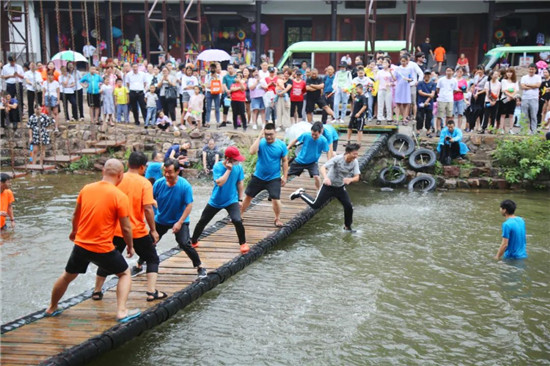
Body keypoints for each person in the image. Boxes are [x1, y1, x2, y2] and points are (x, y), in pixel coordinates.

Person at [45, 159, 140, 322]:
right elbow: (126, 228)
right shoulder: (120, 196)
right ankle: (122, 311)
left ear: (103, 171)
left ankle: (51, 307)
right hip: (102, 247)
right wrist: (130, 246)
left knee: (67, 276)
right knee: (124, 274)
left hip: (81, 245)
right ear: (120, 175)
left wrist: (74, 232)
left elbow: (76, 215)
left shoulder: (86, 189)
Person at [91, 152, 166, 302]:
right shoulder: (144, 183)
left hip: (116, 229)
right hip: (136, 230)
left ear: (128, 164)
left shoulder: (118, 179)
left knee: (108, 259)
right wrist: (153, 230)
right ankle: (151, 292)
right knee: (152, 259)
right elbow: (148, 209)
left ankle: (97, 291)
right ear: (142, 167)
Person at [153, 159, 207, 278]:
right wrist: (154, 212)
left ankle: (199, 266)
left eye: (170, 172)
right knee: (150, 242)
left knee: (184, 243)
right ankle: (139, 264)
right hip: (161, 219)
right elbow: (151, 199)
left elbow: (189, 205)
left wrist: (180, 222)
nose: (167, 175)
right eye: (165, 172)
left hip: (180, 219)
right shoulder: (158, 184)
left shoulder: (184, 186)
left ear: (177, 171)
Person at [289, 143, 361, 232]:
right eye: (354, 154)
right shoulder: (338, 159)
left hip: (340, 187)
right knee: (315, 205)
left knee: (349, 207)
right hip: (328, 186)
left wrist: (350, 180)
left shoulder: (355, 162)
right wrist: (326, 177)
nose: (356, 156)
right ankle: (300, 193)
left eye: (357, 154)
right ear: (348, 153)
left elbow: (357, 177)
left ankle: (347, 227)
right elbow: (323, 167)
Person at [191, 146, 249, 254]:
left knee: (237, 220)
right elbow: (220, 183)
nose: (237, 161)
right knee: (203, 221)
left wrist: (240, 199)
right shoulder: (217, 167)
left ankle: (243, 243)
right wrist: (228, 170)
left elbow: (240, 183)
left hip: (231, 200)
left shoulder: (238, 167)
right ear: (228, 159)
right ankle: (193, 241)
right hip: (216, 200)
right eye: (235, 159)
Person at [240, 124, 289, 228]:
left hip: (274, 177)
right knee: (248, 196)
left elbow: (285, 161)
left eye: (270, 134)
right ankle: (240, 214)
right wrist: (259, 137)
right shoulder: (261, 143)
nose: (268, 137)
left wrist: (285, 176)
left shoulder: (281, 145)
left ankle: (277, 218)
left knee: (276, 198)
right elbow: (252, 152)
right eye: (266, 134)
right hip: (258, 176)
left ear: (275, 133)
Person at [287, 122, 330, 190]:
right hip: (300, 160)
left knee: (317, 177)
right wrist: (287, 148)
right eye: (312, 134)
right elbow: (295, 140)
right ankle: (276, 189)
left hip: (312, 162)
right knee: (287, 175)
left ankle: (319, 192)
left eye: (316, 135)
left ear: (320, 133)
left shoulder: (323, 140)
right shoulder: (306, 135)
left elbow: (327, 151)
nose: (313, 136)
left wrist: (328, 162)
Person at [520, 63, 542, 134]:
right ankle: (523, 131)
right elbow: (523, 87)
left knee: (533, 115)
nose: (531, 70)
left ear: (535, 70)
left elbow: (538, 85)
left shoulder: (538, 77)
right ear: (528, 69)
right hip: (525, 98)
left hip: (534, 98)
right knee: (524, 115)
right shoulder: (524, 77)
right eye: (530, 69)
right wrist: (533, 86)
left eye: (533, 69)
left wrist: (528, 85)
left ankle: (534, 131)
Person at [436, 67, 458, 136]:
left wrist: (449, 94)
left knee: (449, 116)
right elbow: (437, 89)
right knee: (440, 115)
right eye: (447, 71)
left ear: (452, 72)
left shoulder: (454, 80)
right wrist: (442, 95)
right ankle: (438, 130)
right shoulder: (441, 80)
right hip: (442, 99)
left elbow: (455, 90)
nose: (448, 72)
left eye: (450, 71)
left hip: (450, 99)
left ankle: (446, 129)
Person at [498, 68, 519, 134]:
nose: (509, 73)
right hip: (504, 99)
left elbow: (516, 90)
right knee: (503, 114)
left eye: (511, 72)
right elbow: (503, 90)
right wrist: (510, 95)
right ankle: (501, 129)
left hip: (513, 99)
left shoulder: (515, 81)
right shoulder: (504, 81)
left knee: (511, 114)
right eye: (508, 72)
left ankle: (511, 129)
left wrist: (512, 96)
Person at [375, 58, 396, 124]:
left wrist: (390, 83)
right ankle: (379, 118)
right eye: (383, 63)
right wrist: (375, 72)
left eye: (385, 63)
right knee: (380, 104)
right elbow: (375, 79)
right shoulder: (380, 72)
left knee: (388, 104)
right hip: (381, 88)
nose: (384, 64)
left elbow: (394, 80)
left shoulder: (391, 71)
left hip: (388, 89)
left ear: (389, 64)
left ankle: (389, 118)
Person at [416, 70, 436, 137]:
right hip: (421, 102)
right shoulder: (420, 83)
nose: (427, 76)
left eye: (428, 74)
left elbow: (433, 94)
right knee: (419, 117)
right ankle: (418, 131)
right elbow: (420, 92)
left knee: (429, 117)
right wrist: (429, 95)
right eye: (426, 74)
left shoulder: (433, 84)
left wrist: (427, 101)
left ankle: (428, 131)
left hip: (429, 103)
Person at [480, 70, 501, 134]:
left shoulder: (499, 83)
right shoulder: (487, 83)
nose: (496, 76)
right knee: (486, 114)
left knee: (493, 115)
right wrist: (490, 101)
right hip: (488, 101)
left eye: (497, 74)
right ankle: (483, 128)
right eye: (494, 74)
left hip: (496, 101)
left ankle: (491, 129)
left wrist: (494, 101)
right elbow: (487, 92)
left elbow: (498, 93)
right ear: (491, 75)